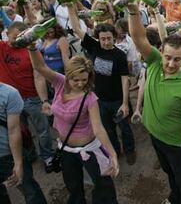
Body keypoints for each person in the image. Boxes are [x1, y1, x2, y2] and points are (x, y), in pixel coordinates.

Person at [127, 2, 181, 204]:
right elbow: (137, 37)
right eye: (168, 57)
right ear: (160, 51)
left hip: (177, 144)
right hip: (155, 136)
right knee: (169, 173)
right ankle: (174, 197)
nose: (171, 64)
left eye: (177, 60)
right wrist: (133, 11)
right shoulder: (153, 60)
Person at [28, 47, 119, 203]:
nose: (80, 83)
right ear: (68, 76)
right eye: (76, 80)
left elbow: (98, 128)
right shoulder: (59, 82)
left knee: (104, 187)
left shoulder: (89, 98)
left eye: (84, 80)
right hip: (66, 149)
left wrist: (113, 154)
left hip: (89, 149)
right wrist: (32, 47)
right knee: (73, 186)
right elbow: (40, 67)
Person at [67, 4, 136, 164]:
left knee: (125, 128)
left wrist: (125, 103)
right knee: (107, 129)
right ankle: (115, 152)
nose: (105, 42)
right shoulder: (94, 46)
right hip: (98, 100)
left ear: (114, 37)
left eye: (109, 39)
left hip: (117, 99)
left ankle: (130, 150)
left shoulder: (119, 55)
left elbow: (124, 78)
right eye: (103, 39)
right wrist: (71, 7)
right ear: (99, 38)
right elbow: (77, 28)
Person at [0, 22, 54, 171]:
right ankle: (29, 156)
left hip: (32, 98)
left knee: (42, 130)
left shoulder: (31, 51)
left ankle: (48, 156)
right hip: (10, 102)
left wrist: (43, 100)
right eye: (14, 37)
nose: (18, 40)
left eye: (21, 37)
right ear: (6, 33)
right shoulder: (2, 48)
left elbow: (39, 76)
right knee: (21, 131)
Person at [0, 82, 47, 204]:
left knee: (29, 191)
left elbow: (14, 130)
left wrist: (18, 163)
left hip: (8, 155)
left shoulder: (9, 93)